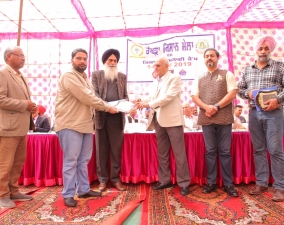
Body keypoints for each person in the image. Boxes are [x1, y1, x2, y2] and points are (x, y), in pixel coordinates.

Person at [55, 48, 118, 207]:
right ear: (72, 60)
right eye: (78, 58)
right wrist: (107, 107)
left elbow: (92, 97)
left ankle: (83, 189)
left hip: (85, 125)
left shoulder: (84, 77)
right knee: (71, 161)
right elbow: (87, 97)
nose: (82, 61)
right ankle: (68, 193)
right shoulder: (69, 76)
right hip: (70, 124)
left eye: (85, 59)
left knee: (83, 161)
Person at [0, 46, 37, 208]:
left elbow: (19, 101)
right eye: (20, 55)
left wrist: (31, 107)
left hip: (19, 127)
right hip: (6, 128)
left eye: (24, 55)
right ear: (9, 56)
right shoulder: (1, 74)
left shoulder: (20, 75)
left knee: (17, 162)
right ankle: (2, 195)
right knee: (5, 163)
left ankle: (13, 191)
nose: (24, 58)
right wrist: (24, 104)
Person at [237, 35, 284, 202]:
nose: (263, 51)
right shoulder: (247, 69)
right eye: (260, 48)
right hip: (253, 113)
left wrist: (277, 100)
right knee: (258, 149)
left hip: (275, 114)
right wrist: (247, 93)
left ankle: (280, 187)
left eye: (266, 48)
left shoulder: (280, 66)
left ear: (270, 49)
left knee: (275, 150)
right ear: (255, 50)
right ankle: (262, 182)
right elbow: (240, 89)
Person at [136, 56, 190, 196]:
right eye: (154, 66)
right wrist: (141, 101)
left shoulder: (174, 78)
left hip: (173, 121)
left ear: (166, 66)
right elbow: (152, 99)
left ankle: (184, 183)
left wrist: (148, 104)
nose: (155, 68)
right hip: (158, 121)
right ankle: (165, 180)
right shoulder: (155, 82)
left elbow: (168, 98)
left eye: (158, 65)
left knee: (179, 154)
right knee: (162, 154)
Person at [191, 48, 238, 197]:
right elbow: (194, 96)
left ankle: (228, 184)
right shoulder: (199, 76)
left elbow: (233, 93)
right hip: (206, 119)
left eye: (212, 55)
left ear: (218, 58)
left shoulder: (227, 74)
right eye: (206, 56)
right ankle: (211, 182)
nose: (209, 58)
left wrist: (216, 107)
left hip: (224, 118)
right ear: (204, 59)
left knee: (224, 152)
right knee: (210, 151)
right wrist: (206, 108)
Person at [92, 49, 128, 192]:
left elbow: (125, 96)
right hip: (101, 117)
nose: (112, 63)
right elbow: (94, 95)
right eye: (110, 60)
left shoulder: (122, 77)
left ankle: (115, 179)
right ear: (105, 61)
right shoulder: (96, 75)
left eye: (115, 61)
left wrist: (128, 104)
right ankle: (102, 181)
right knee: (101, 151)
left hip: (117, 119)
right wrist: (107, 108)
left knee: (115, 151)